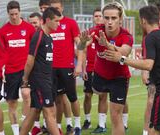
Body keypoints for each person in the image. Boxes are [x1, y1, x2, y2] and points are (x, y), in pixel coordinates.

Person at [104, 5, 160, 135]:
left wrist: (122, 59)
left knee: (154, 129)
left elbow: (148, 65)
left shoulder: (150, 38)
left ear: (143, 21)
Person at [81, 2, 133, 135]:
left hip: (119, 78)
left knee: (116, 116)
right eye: (107, 18)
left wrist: (108, 45)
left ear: (120, 19)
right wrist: (82, 42)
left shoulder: (126, 35)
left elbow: (125, 51)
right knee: (95, 93)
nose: (109, 22)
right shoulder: (96, 30)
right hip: (100, 75)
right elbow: (81, 47)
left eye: (114, 18)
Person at [19, 7, 62, 135]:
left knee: (34, 111)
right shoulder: (39, 35)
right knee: (49, 111)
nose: (58, 24)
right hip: (40, 80)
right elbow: (30, 59)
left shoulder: (49, 37)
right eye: (56, 21)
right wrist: (25, 79)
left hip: (47, 79)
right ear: (47, 20)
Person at [0, 1, 35, 135]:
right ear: (8, 14)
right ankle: (15, 132)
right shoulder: (3, 31)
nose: (14, 16)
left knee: (26, 95)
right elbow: (0, 53)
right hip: (10, 71)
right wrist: (1, 70)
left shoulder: (29, 28)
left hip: (26, 69)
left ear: (19, 12)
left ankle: (25, 127)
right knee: (12, 102)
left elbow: (34, 49)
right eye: (11, 14)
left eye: (16, 13)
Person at [50, 0, 84, 134]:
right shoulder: (48, 24)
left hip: (67, 67)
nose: (56, 11)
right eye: (53, 9)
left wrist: (79, 64)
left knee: (72, 97)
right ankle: (57, 126)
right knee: (57, 99)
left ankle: (77, 125)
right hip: (52, 68)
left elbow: (80, 45)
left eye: (58, 8)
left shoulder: (70, 23)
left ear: (62, 8)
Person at [81, 7, 104, 131]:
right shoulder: (89, 33)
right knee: (88, 96)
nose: (98, 18)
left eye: (100, 16)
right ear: (93, 18)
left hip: (103, 70)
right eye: (96, 16)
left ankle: (101, 124)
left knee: (102, 96)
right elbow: (82, 50)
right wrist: (84, 69)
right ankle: (88, 120)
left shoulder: (107, 33)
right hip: (90, 69)